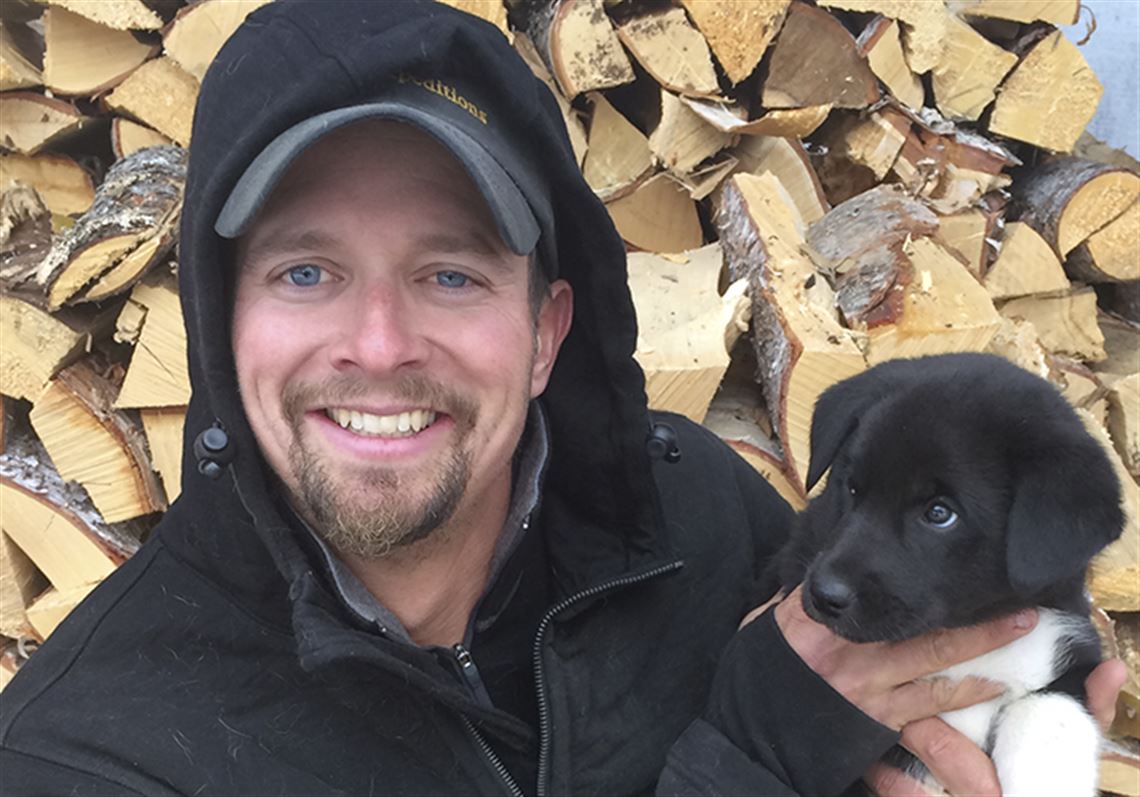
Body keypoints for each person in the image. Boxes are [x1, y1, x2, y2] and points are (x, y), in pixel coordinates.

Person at [0, 2, 1123, 795]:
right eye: (305, 271)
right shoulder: (85, 760)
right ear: (220, 320)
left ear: (546, 332)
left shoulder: (699, 517)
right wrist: (752, 757)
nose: (379, 344)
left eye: (451, 273)